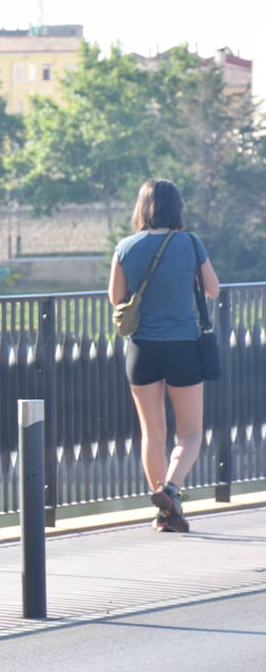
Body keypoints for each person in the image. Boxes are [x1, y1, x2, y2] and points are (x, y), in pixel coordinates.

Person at [108, 178, 220, 532]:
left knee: (152, 434)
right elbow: (213, 289)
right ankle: (172, 490)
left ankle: (166, 512)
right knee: (189, 435)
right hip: (184, 346)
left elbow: (116, 298)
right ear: (177, 208)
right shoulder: (189, 243)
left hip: (141, 349)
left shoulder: (125, 246)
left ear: (142, 208)